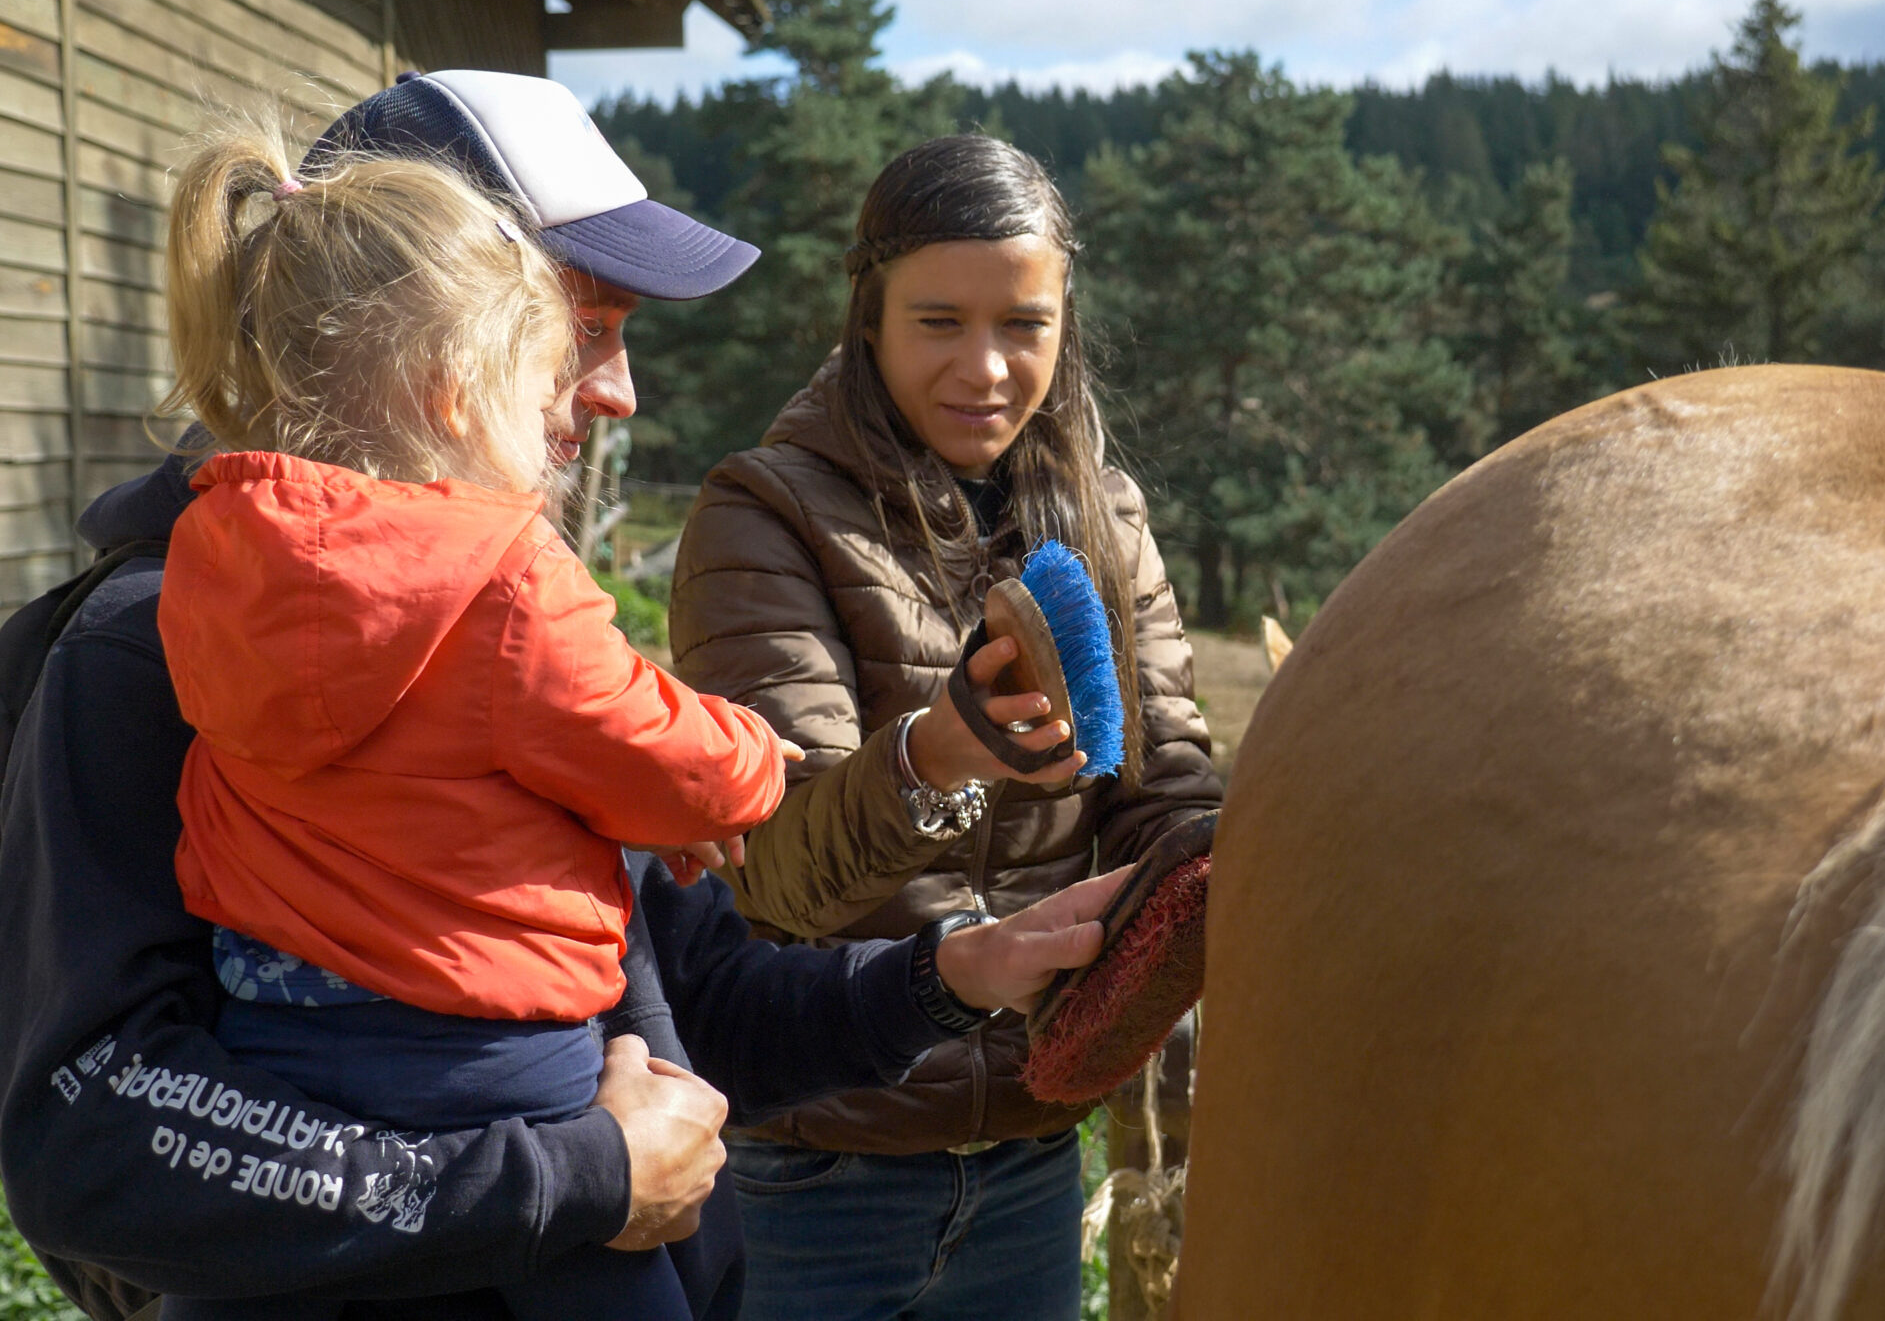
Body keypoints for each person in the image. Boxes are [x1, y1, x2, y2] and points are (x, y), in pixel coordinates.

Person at [0, 73, 1112, 1321]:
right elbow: (94, 1135)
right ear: (437, 347)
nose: (620, 392)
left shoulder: (502, 634)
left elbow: (683, 1006)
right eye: (586, 327)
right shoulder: (148, 646)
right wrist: (578, 1177)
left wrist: (948, 977)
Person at [669, 133, 1222, 1321]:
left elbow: (1165, 787)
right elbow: (776, 876)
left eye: (1024, 324)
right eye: (937, 322)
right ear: (867, 315)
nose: (985, 367)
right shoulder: (764, 515)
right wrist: (938, 754)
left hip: (1026, 1164)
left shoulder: (1102, 515)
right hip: (812, 1170)